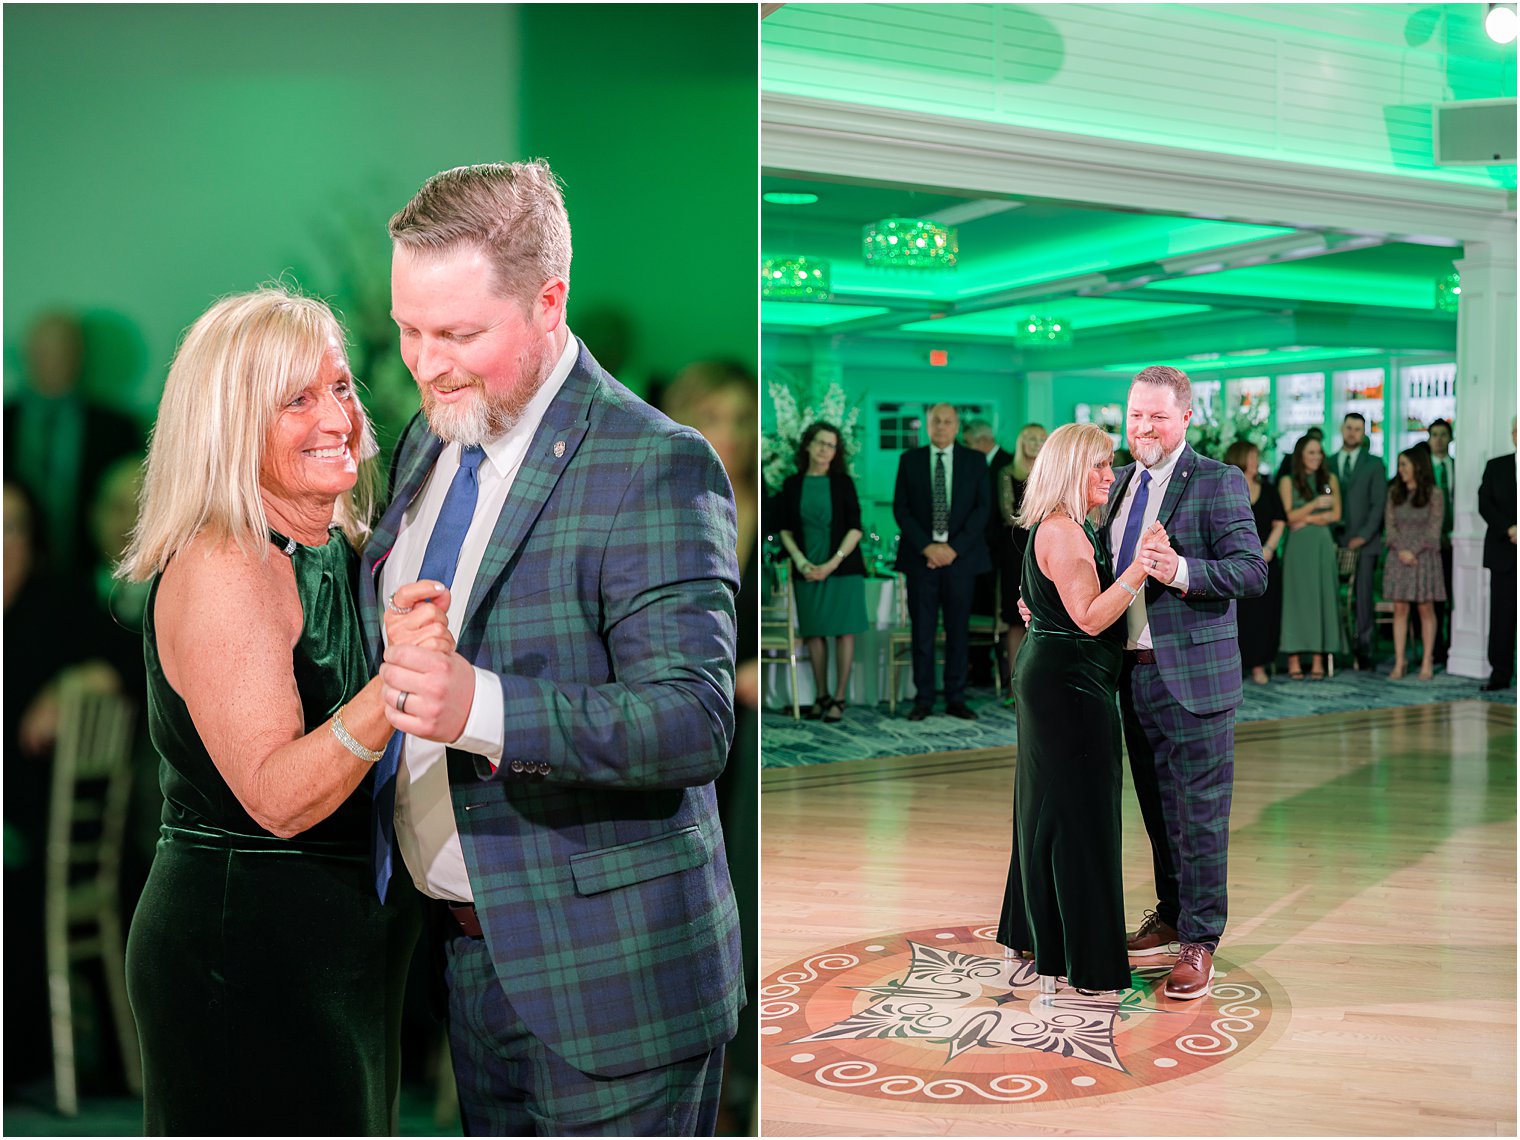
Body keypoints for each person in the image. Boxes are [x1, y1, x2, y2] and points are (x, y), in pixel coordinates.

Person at [365, 161, 742, 1136]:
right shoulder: (427, 438)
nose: (426, 362)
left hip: (615, 982)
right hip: (468, 960)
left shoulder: (653, 463)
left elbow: (690, 723)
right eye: (408, 329)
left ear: (547, 302)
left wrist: (474, 706)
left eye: (457, 334)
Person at [116, 287, 451, 1135]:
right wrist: (394, 689)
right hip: (246, 951)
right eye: (295, 400)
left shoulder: (338, 541)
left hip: (339, 942)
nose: (336, 415)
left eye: (339, 387)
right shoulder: (224, 564)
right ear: (230, 426)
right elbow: (275, 796)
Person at [1106, 366, 1266, 1001]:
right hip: (1129, 677)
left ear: (1186, 419)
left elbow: (1251, 573)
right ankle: (1171, 912)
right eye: (1136, 415)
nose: (1144, 427)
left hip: (1197, 680)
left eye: (1157, 417)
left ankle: (1200, 939)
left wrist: (1182, 570)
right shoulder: (1116, 484)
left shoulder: (1218, 481)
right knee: (1156, 809)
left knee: (1200, 815)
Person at [998, 423, 1163, 995]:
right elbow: (1092, 617)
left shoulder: (1058, 526)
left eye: (1109, 464)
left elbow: (1055, 606)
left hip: (1058, 677)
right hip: (1070, 688)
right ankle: (1084, 953)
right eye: (1097, 466)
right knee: (1081, 818)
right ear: (1070, 471)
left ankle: (1041, 930)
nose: (1109, 475)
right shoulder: (1066, 532)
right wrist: (1141, 567)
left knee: (1049, 808)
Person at [659, 358, 759, 1132]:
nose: (729, 435)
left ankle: (743, 1085)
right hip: (682, 729)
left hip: (748, 733)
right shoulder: (661, 506)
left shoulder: (756, 506)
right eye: (714, 416)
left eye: (741, 419)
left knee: (743, 897)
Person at [3, 311, 144, 569]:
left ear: (80, 355)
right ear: (26, 356)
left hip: (95, 575)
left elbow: (132, 504)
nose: (54, 362)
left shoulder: (116, 428)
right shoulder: (6, 421)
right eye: (44, 352)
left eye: (63, 351)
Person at [892, 402, 991, 721]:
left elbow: (982, 509)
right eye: (936, 421)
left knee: (957, 632)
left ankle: (956, 696)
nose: (941, 427)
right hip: (921, 560)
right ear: (927, 423)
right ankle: (923, 698)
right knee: (922, 633)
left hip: (960, 560)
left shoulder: (974, 461)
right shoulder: (910, 460)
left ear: (957, 426)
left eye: (948, 422)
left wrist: (951, 549)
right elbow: (901, 509)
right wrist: (929, 547)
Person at [776, 422, 867, 722]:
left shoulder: (843, 482)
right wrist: (801, 562)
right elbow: (785, 527)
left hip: (842, 568)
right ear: (808, 445)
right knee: (814, 633)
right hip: (807, 566)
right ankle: (821, 694)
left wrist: (832, 563)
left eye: (831, 445)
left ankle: (839, 697)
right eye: (820, 442)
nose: (825, 449)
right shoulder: (792, 483)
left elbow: (856, 528)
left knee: (843, 632)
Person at [1277, 433, 1346, 679]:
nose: (1316, 457)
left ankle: (1318, 658)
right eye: (1311, 453)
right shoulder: (1287, 481)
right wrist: (1314, 504)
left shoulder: (1331, 479)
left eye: (1319, 452)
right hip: (1297, 547)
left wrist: (1306, 518)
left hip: (1321, 544)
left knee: (1321, 597)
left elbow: (1336, 514)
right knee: (1295, 600)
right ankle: (1293, 658)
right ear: (1300, 456)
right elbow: (1288, 516)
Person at [1382, 447, 1446, 680]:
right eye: (1399, 465)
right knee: (1400, 609)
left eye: (1405, 465)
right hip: (1399, 557)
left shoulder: (1434, 494)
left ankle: (1427, 660)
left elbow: (1433, 530)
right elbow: (1389, 527)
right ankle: (1400, 661)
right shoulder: (1393, 493)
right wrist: (1402, 550)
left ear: (1418, 466)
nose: (1400, 470)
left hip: (1424, 557)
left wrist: (1413, 551)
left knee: (1425, 608)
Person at [1224, 441, 1285, 684]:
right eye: (1251, 456)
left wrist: (1268, 548)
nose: (1256, 461)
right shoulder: (1227, 489)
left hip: (1266, 562)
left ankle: (1260, 665)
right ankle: (1236, 665)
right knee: (1239, 616)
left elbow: (1280, 521)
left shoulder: (1268, 489)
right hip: (1235, 563)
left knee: (1264, 615)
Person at [997, 423, 1047, 701]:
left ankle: (1038, 685)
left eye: (1041, 438)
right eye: (1029, 437)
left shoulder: (1050, 474)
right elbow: (1008, 514)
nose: (1035, 443)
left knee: (1043, 616)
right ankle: (1015, 686)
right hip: (1015, 551)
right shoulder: (1007, 473)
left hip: (1046, 548)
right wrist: (1044, 518)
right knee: (1016, 620)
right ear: (1020, 442)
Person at [1331, 413, 1384, 670]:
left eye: (1358, 429)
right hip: (1333, 540)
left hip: (1365, 542)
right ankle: (1337, 648)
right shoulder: (1328, 462)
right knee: (1332, 595)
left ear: (1364, 433)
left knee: (1363, 598)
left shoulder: (1374, 464)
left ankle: (1364, 649)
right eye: (1349, 428)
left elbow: (1378, 505)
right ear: (1342, 429)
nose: (1352, 433)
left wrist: (1363, 535)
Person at [964, 419, 1012, 687]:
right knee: (978, 608)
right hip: (977, 553)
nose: (967, 447)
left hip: (1001, 552)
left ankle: (1002, 671)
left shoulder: (1008, 463)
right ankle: (980, 669)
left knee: (1003, 614)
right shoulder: (973, 464)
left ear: (981, 440)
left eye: (969, 442)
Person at [1477, 418, 1516, 691]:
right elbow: (1484, 503)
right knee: (1502, 616)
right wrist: (1509, 529)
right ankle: (1500, 674)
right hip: (1504, 552)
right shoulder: (1496, 466)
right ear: (1514, 435)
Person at [1427, 418, 1456, 663]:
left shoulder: (1457, 466)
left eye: (1443, 434)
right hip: (1428, 543)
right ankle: (1434, 649)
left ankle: (1451, 645)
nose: (1439, 439)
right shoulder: (1423, 470)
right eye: (1434, 434)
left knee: (1453, 595)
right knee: (1432, 597)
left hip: (1455, 540)